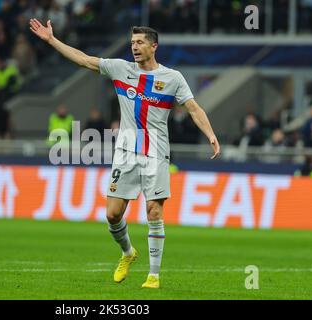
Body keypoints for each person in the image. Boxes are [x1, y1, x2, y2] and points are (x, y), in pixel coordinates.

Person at [29, 20, 220, 289]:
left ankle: (153, 275)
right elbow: (84, 60)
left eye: (140, 42)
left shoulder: (172, 78)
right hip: (126, 153)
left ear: (154, 46)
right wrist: (51, 40)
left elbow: (194, 108)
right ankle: (128, 252)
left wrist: (210, 134)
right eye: (132, 43)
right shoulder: (121, 69)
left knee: (154, 211)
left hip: (156, 153)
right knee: (112, 215)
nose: (135, 47)